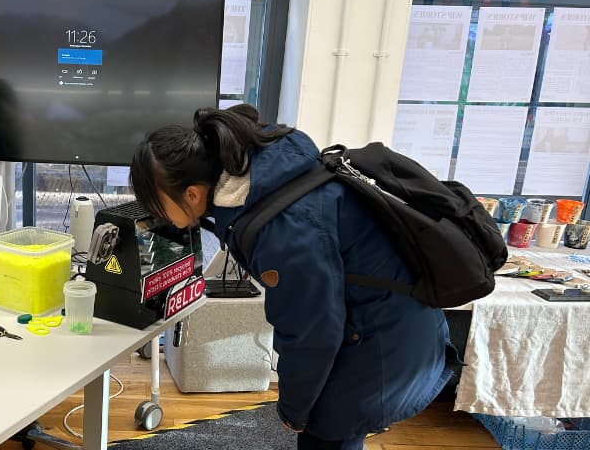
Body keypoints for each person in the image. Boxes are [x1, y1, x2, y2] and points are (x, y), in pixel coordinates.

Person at [129, 104, 454, 450]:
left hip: (383, 343)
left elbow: (311, 331)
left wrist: (294, 410)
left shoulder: (279, 228)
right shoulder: (268, 170)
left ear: (192, 194)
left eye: (157, 207)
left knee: (328, 435)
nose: (157, 217)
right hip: (387, 322)